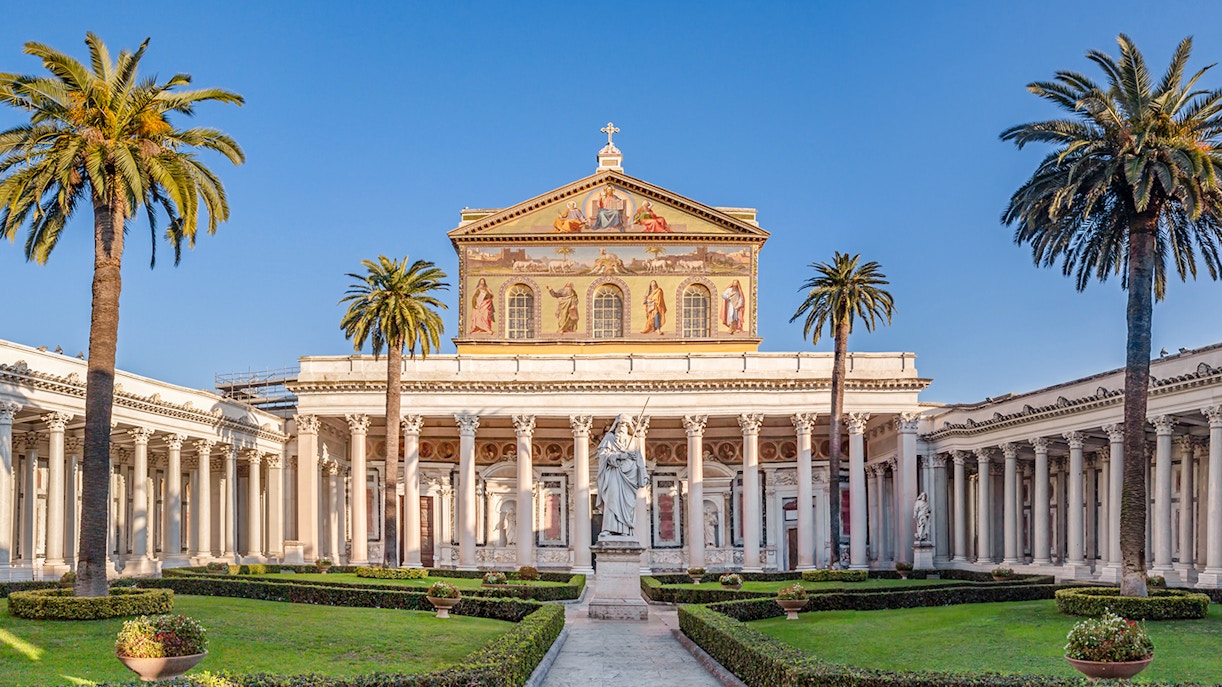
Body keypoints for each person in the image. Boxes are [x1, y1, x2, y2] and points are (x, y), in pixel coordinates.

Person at [595, 414, 649, 538]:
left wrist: (644, 475)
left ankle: (626, 530)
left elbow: (640, 460)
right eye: (620, 426)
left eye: (625, 426)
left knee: (627, 504)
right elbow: (603, 456)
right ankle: (608, 528)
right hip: (614, 474)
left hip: (629, 478)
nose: (622, 428)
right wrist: (619, 456)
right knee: (611, 499)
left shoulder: (635, 441)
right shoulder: (609, 439)